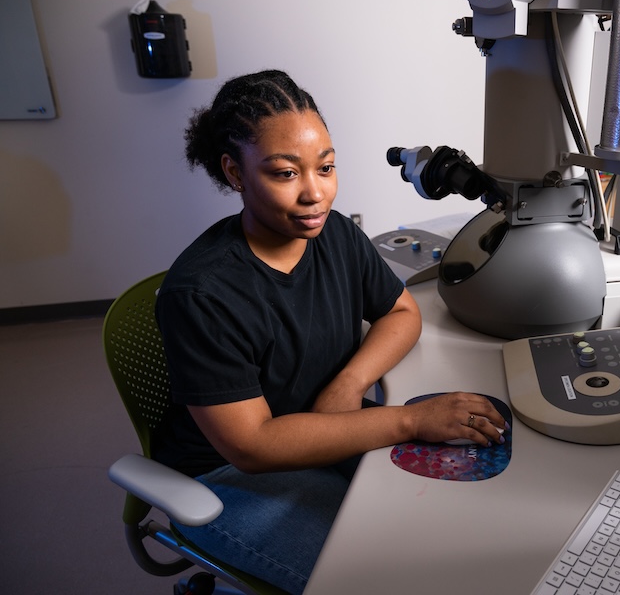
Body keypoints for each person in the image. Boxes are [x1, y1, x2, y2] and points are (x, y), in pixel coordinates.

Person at [153, 69, 506, 593]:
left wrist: (348, 384)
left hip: (324, 428)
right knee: (382, 580)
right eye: (284, 173)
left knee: (449, 536)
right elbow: (253, 446)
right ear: (235, 173)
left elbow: (401, 313)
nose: (314, 194)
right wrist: (408, 421)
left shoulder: (335, 234)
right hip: (229, 478)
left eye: (327, 167)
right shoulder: (202, 293)